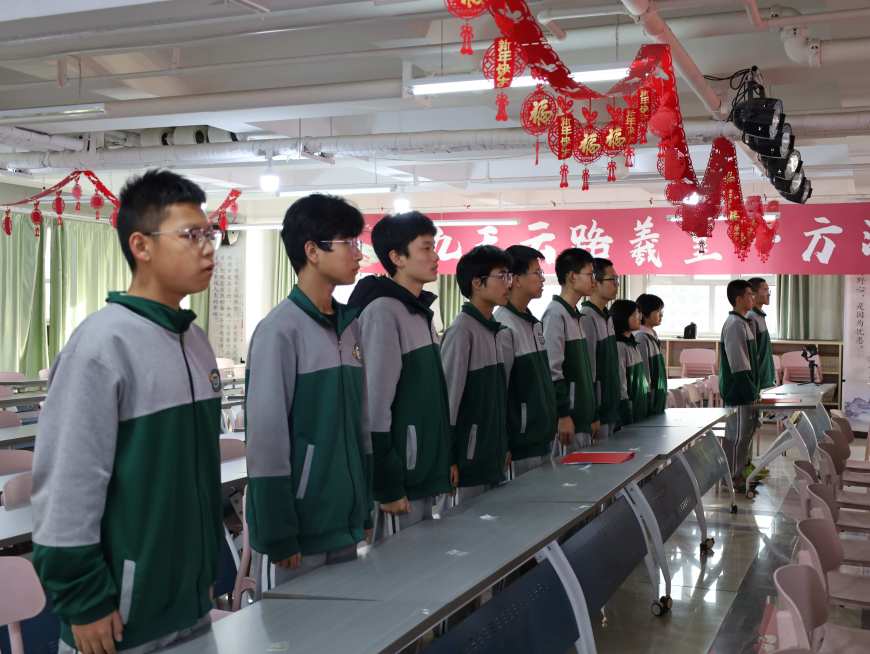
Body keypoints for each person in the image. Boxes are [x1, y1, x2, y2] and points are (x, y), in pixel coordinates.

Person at [32, 170, 224, 654]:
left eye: (211, 234)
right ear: (141, 246)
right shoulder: (101, 346)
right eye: (191, 235)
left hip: (189, 604)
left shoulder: (194, 341)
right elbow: (67, 487)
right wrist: (84, 601)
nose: (208, 249)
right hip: (119, 618)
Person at [245, 194, 372, 595]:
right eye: (348, 243)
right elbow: (265, 440)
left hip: (342, 521)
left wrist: (363, 506)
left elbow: (360, 425)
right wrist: (279, 531)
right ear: (312, 251)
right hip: (298, 532)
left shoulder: (349, 326)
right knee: (294, 627)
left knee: (343, 623)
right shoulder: (279, 331)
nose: (358, 254)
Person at [347, 211, 455, 537]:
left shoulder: (418, 311)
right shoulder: (383, 311)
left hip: (421, 472)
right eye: (426, 248)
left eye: (434, 247)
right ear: (397, 257)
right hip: (400, 481)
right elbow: (374, 407)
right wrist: (387, 484)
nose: (435, 256)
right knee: (396, 564)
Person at [441, 245, 513, 502]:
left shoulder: (494, 330)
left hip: (491, 457)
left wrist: (503, 444)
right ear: (477, 283)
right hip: (467, 462)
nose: (508, 283)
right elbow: (448, 401)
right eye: (501, 276)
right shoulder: (462, 331)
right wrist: (448, 457)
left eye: (509, 276)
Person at [494, 245, 558, 476]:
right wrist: (504, 441)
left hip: (542, 438)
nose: (542, 279)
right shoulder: (504, 325)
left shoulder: (532, 323)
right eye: (537, 273)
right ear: (516, 279)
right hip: (520, 444)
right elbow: (499, 390)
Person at [542, 248, 599, 450]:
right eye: (590, 275)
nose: (594, 281)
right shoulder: (555, 315)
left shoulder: (575, 315)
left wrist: (592, 413)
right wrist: (563, 414)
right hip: (569, 423)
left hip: (582, 419)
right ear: (572, 277)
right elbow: (553, 370)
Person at [719, 279, 760, 489]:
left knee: (744, 436)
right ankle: (732, 479)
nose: (753, 298)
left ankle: (743, 473)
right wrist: (749, 391)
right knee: (736, 437)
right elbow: (739, 365)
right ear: (738, 299)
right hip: (738, 391)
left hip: (747, 389)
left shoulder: (743, 322)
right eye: (749, 295)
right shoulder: (734, 325)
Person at [579, 258, 621, 439]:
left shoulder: (607, 317)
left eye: (617, 280)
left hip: (610, 407)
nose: (617, 284)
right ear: (595, 282)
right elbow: (589, 370)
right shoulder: (587, 317)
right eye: (613, 280)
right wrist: (593, 412)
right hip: (598, 410)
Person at [611, 299, 650, 426]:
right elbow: (621, 382)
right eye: (635, 314)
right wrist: (626, 408)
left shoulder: (633, 344)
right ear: (623, 317)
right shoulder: (619, 346)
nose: (640, 317)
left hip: (640, 407)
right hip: (629, 410)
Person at [635, 293, 668, 415]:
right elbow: (644, 374)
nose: (661, 315)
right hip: (649, 400)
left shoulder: (651, 335)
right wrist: (648, 398)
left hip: (656, 397)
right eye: (658, 311)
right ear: (644, 313)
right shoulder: (641, 337)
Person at [747, 277, 776, 390]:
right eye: (765, 290)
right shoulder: (751, 317)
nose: (768, 294)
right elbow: (750, 354)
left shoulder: (759, 316)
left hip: (766, 379)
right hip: (759, 382)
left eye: (768, 290)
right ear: (753, 294)